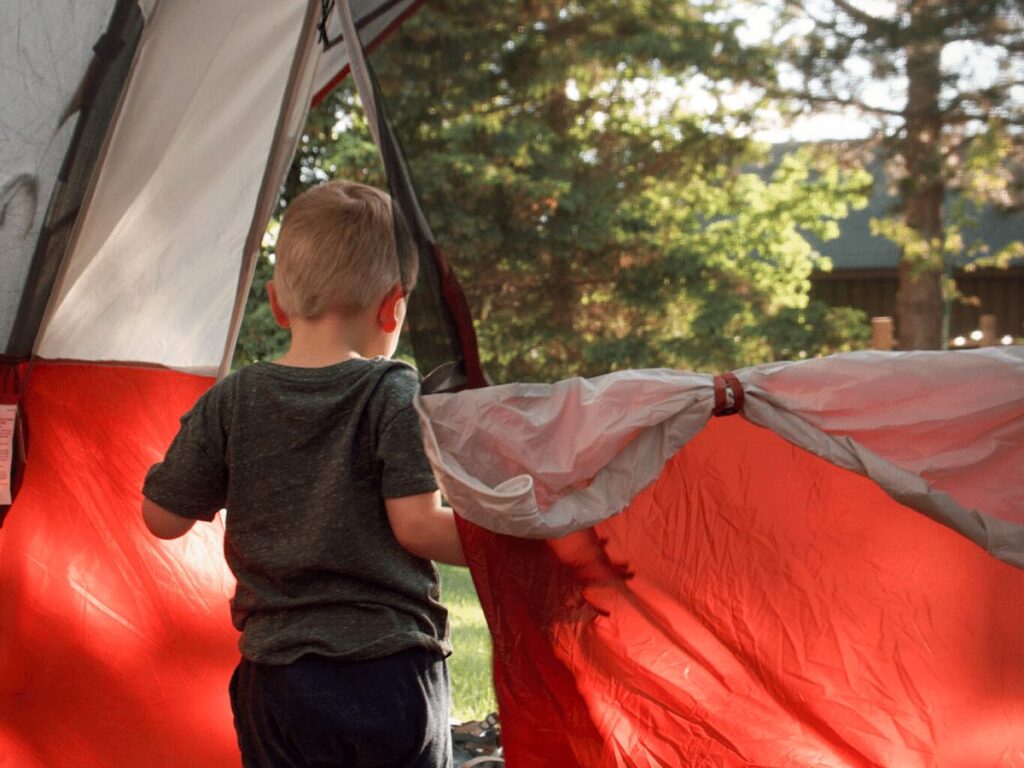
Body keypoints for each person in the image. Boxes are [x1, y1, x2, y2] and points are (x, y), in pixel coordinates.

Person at [141, 180, 466, 768]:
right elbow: (419, 527)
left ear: (276, 302)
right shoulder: (393, 390)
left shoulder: (234, 398)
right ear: (395, 304)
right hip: (389, 669)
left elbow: (162, 519)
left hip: (279, 680)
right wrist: (509, 541)